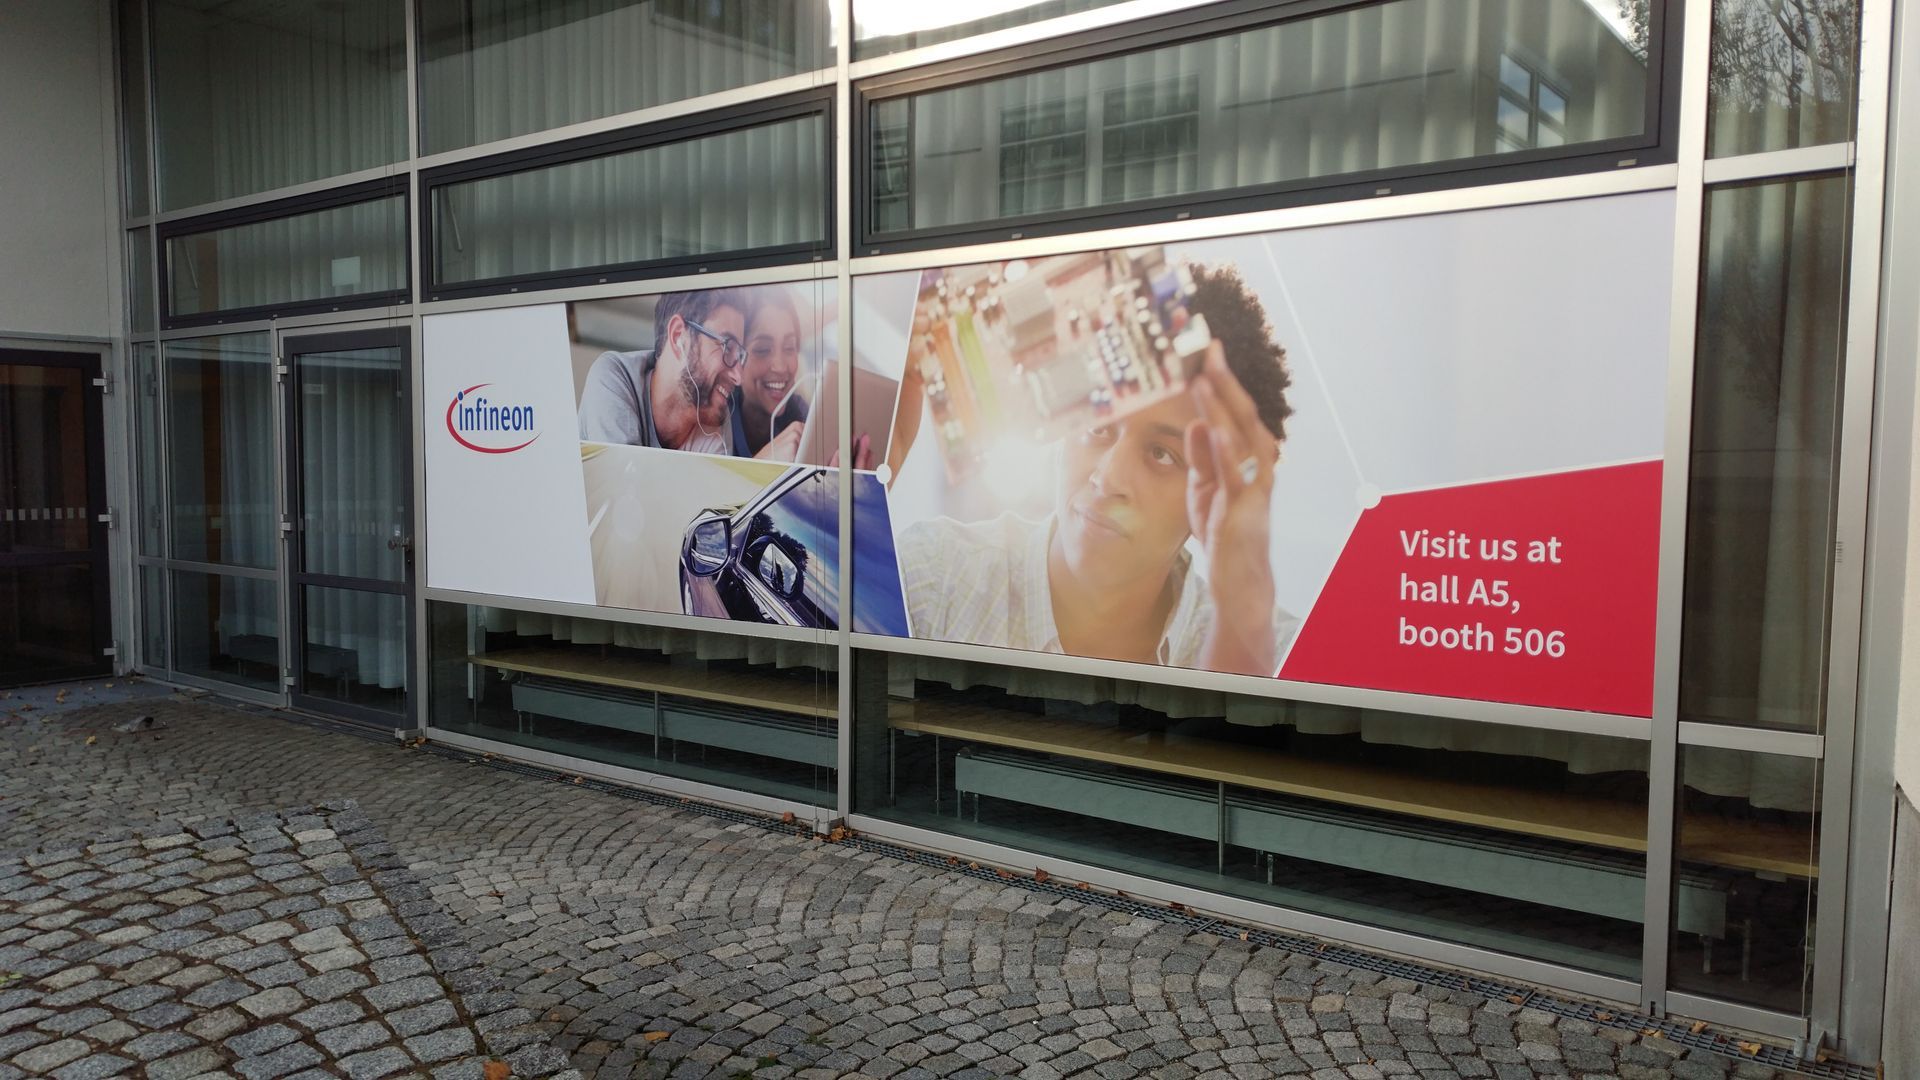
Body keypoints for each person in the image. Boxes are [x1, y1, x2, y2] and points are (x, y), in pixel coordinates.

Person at [894, 264, 1296, 678]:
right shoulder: (932, 581)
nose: (1108, 479)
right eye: (1097, 426)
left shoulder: (1281, 656)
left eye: (1161, 454)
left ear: (1213, 497)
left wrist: (1241, 604)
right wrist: (858, 481)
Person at [577, 287, 767, 456]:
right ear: (678, 337)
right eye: (727, 347)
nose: (738, 377)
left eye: (739, 355)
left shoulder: (712, 413)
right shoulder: (612, 379)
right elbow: (624, 490)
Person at [730, 289, 811, 459]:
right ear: (736, 355)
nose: (780, 367)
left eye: (789, 348)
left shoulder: (803, 416)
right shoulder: (715, 422)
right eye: (763, 350)